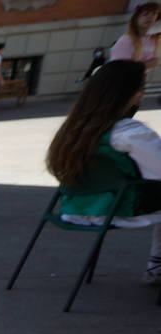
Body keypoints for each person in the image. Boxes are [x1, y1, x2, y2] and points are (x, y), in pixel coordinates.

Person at [47, 59, 161, 282]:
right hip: (115, 209)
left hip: (74, 208)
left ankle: (156, 266)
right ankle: (156, 266)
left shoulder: (74, 128)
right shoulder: (129, 132)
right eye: (141, 87)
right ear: (130, 92)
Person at [110, 3, 160, 71]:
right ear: (136, 18)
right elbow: (120, 67)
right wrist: (148, 64)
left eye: (154, 13)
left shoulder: (153, 41)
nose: (150, 16)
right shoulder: (126, 40)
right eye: (146, 13)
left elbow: (155, 62)